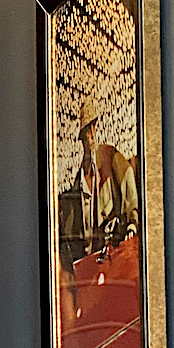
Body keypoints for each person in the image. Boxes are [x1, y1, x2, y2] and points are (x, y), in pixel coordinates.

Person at [59, 98, 138, 271]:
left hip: (113, 258)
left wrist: (131, 224)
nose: (90, 136)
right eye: (86, 131)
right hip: (90, 263)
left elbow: (129, 191)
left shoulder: (111, 159)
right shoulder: (79, 179)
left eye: (92, 128)